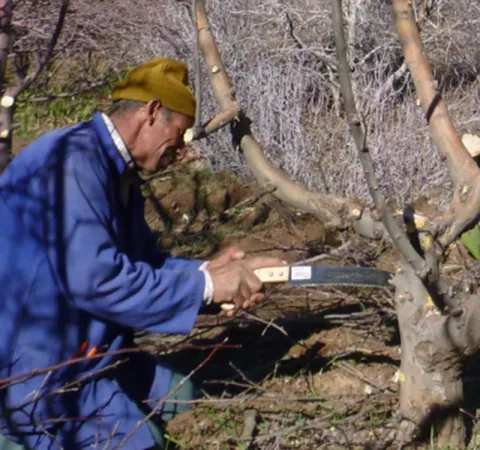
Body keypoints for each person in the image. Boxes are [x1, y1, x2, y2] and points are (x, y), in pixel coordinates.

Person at [0, 57, 284, 449]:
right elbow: (98, 281)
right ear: (152, 113)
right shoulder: (72, 163)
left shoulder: (117, 171)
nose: (183, 151)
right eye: (181, 135)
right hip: (38, 370)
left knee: (186, 401)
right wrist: (205, 287)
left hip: (95, 347)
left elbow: (142, 263)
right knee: (144, 443)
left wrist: (209, 271)